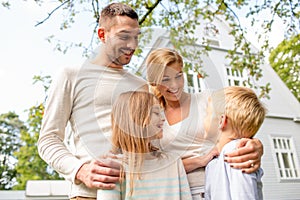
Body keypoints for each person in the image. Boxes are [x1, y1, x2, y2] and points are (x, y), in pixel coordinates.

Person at [38, 3, 148, 199]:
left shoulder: (142, 85)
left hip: (140, 193)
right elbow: (48, 140)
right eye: (124, 36)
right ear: (102, 35)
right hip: (89, 195)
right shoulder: (71, 75)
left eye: (136, 37)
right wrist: (80, 170)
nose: (132, 45)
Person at [145, 48, 264, 199]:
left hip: (219, 185)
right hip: (178, 192)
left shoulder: (207, 100)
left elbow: (241, 121)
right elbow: (155, 168)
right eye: (165, 79)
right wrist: (199, 161)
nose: (174, 85)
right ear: (154, 82)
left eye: (179, 76)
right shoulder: (153, 119)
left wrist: (255, 144)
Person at [97, 91, 192, 199]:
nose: (163, 118)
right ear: (137, 118)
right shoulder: (114, 168)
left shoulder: (174, 162)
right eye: (156, 113)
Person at [204, 86, 266, 200]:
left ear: (221, 121)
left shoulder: (236, 154)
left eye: (207, 114)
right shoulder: (214, 163)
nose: (203, 119)